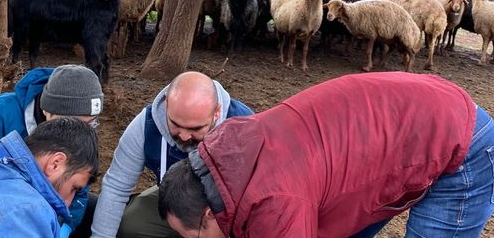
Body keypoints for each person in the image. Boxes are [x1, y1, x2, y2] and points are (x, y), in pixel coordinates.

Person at [158, 72, 494, 238]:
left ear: (207, 216)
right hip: (410, 114)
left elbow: (276, 212)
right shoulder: (224, 149)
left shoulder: (276, 203)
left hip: (458, 143)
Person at [91, 71, 254, 238]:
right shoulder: (146, 125)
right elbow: (116, 186)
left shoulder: (244, 126)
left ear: (217, 112)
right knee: (132, 223)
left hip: (228, 211)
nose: (183, 136)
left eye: (195, 128)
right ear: (167, 104)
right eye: (175, 124)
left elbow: (262, 199)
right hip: (175, 199)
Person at [0, 64, 103, 234]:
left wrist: (64, 228)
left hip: (41, 204)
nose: (81, 132)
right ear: (47, 110)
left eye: (91, 122)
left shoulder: (85, 134)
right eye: (72, 121)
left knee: (97, 208)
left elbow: (78, 190)